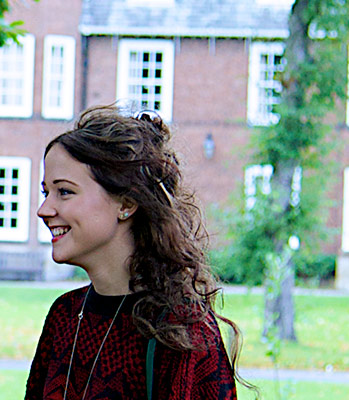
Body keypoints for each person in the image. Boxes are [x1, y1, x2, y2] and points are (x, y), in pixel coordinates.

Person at [25, 105, 241, 400]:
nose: (44, 210)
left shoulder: (181, 331)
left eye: (64, 191)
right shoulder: (64, 316)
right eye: (45, 192)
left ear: (126, 203)